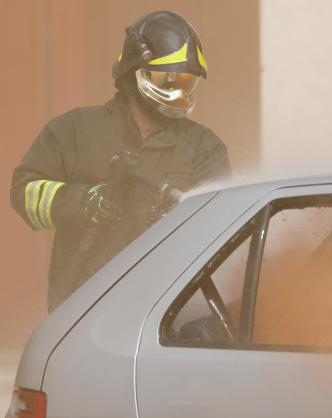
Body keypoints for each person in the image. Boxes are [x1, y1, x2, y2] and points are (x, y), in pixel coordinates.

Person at [10, 11, 231, 312]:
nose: (178, 92)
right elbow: (25, 192)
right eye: (167, 79)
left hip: (164, 314)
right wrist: (82, 203)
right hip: (79, 311)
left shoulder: (204, 148)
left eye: (186, 82)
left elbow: (219, 226)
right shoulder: (75, 130)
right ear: (134, 70)